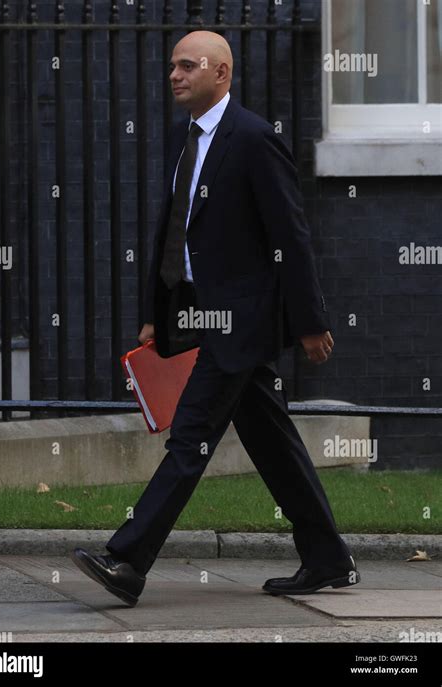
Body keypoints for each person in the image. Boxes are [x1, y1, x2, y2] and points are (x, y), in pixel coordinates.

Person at [71, 30, 360, 607]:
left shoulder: (253, 138)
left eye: (186, 65)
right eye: (172, 66)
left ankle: (127, 561)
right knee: (272, 441)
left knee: (191, 436)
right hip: (205, 316)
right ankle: (329, 557)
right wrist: (158, 312)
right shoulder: (188, 138)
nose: (174, 75)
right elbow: (175, 228)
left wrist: (309, 319)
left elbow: (291, 234)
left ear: (220, 72)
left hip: (242, 322)